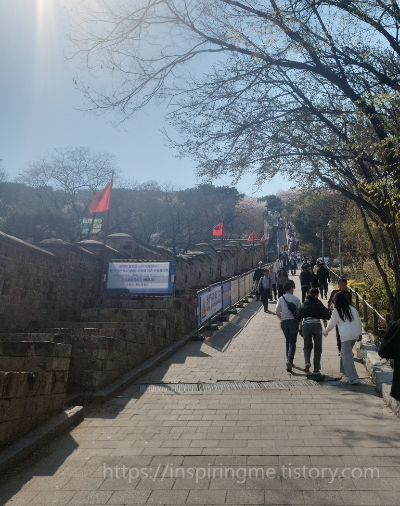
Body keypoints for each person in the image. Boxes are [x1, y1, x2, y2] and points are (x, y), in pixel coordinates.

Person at [323, 292, 362, 384]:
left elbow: (332, 323)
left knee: (347, 355)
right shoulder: (353, 308)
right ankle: (344, 371)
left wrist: (325, 331)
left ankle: (353, 378)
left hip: (346, 335)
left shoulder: (337, 310)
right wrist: (360, 334)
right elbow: (359, 322)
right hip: (355, 334)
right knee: (344, 352)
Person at [297, 288, 331, 374]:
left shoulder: (305, 303)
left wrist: (300, 328)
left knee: (307, 346)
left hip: (306, 326)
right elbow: (326, 314)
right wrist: (326, 328)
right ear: (316, 295)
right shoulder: (318, 303)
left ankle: (307, 361)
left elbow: (298, 316)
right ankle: (316, 368)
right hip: (316, 326)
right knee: (318, 347)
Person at [276, 281, 301, 372]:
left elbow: (277, 311)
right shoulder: (296, 299)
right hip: (293, 322)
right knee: (292, 341)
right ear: (291, 289)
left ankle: (288, 359)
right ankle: (290, 360)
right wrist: (300, 324)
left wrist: (282, 318)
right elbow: (300, 312)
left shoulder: (281, 298)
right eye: (293, 288)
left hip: (284, 322)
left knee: (287, 340)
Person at [328, 278, 352, 354]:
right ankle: (340, 348)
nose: (342, 287)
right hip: (338, 315)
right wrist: (330, 311)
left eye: (344, 285)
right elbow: (330, 302)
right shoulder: (334, 292)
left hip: (347, 315)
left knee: (348, 332)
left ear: (346, 286)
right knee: (339, 332)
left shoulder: (347, 294)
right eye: (341, 285)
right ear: (338, 285)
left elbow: (350, 304)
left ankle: (348, 348)